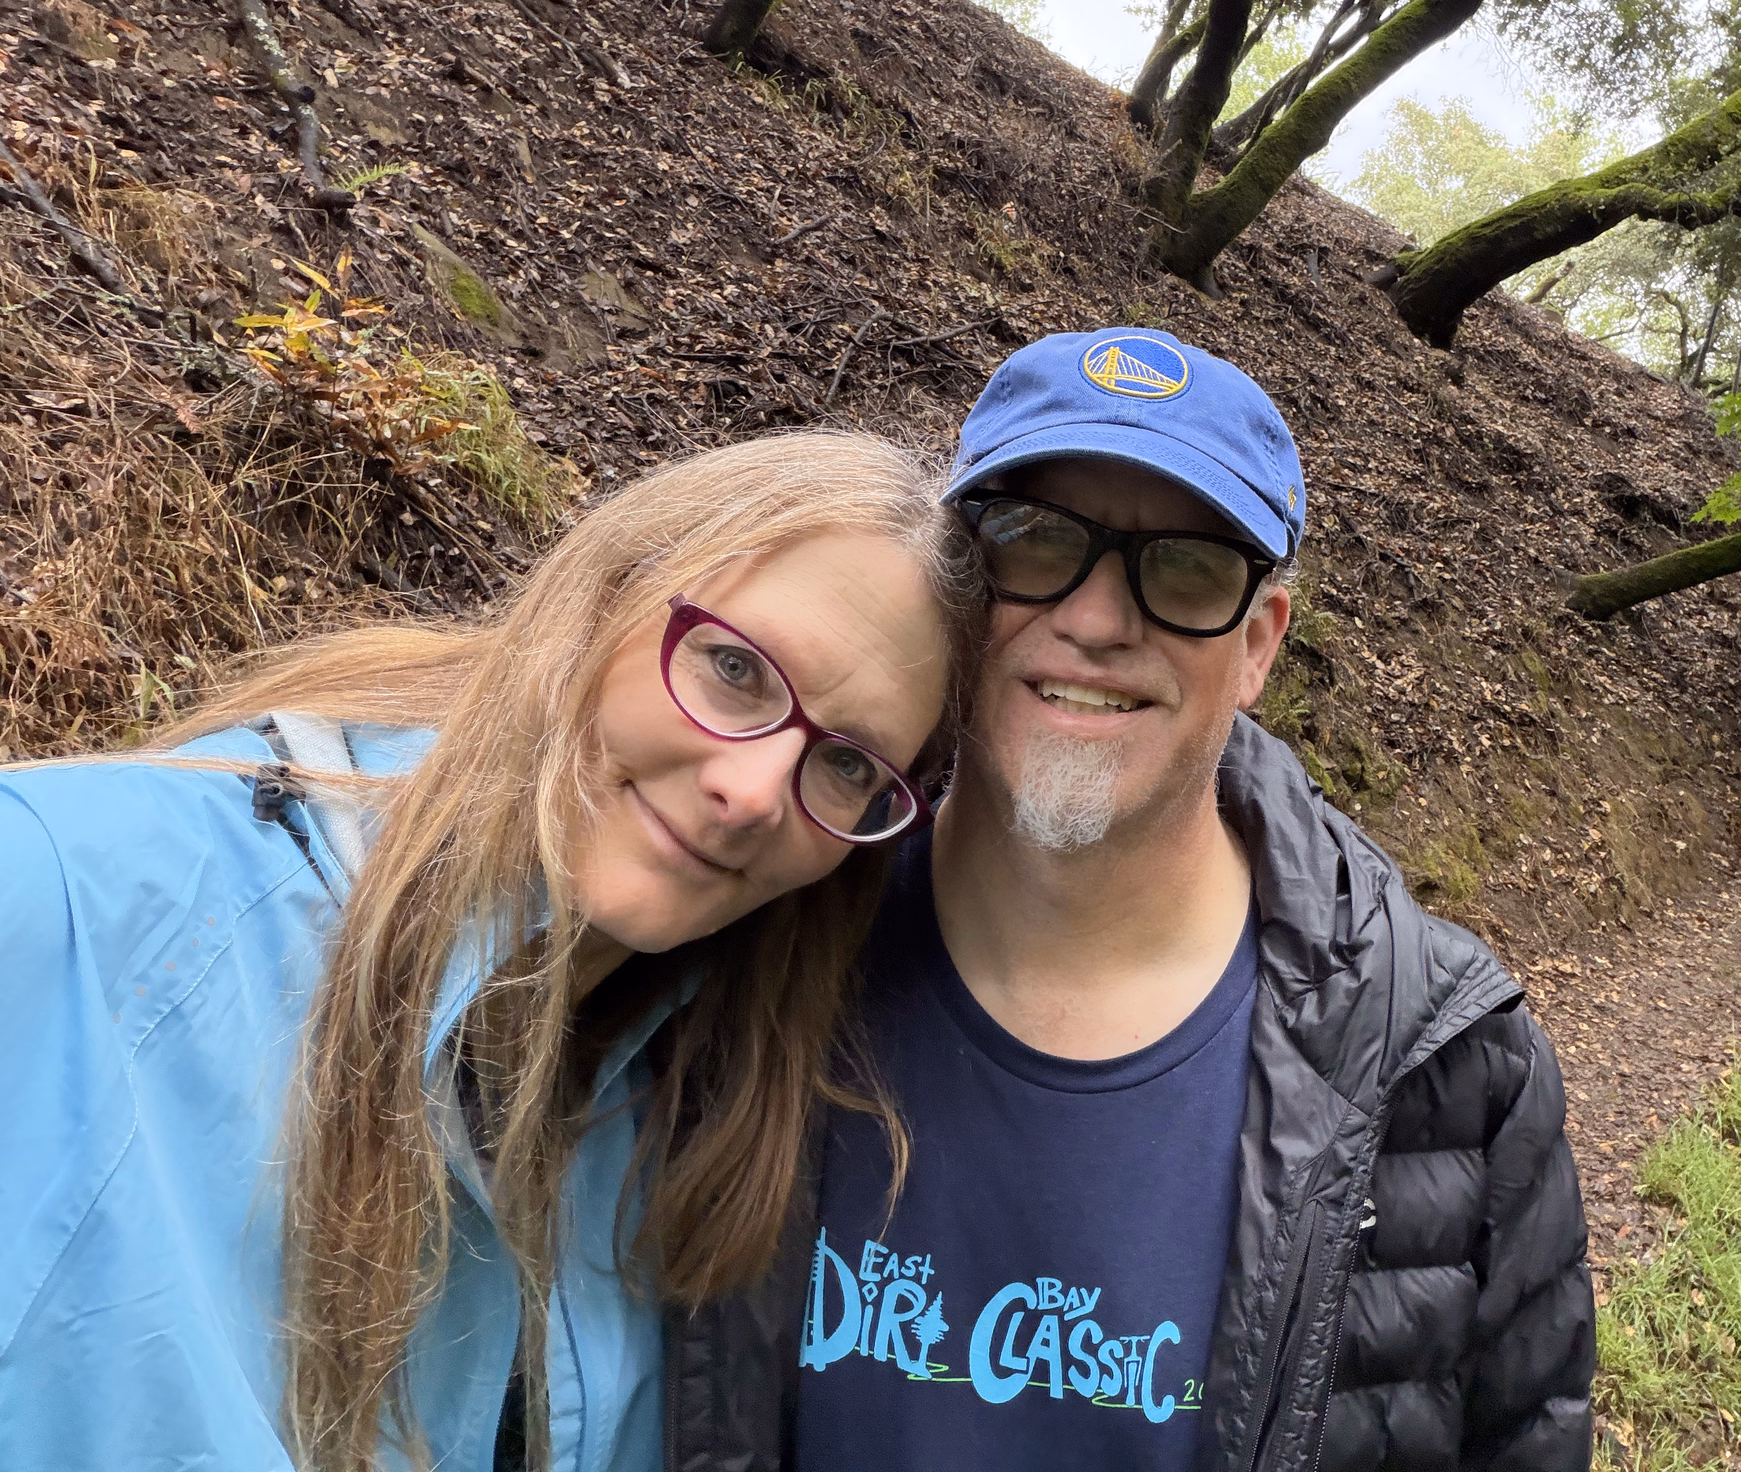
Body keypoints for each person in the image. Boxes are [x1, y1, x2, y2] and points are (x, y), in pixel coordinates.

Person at [667, 330, 1594, 1471]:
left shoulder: (1450, 1074)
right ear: (958, 591)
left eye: (1187, 567)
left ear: (1259, 646)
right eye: (1035, 540)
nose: (1099, 621)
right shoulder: (763, 921)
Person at [0, 431, 983, 1472]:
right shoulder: (80, 895)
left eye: (842, 763)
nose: (749, 793)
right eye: (734, 670)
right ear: (604, 598)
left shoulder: (668, 1109)